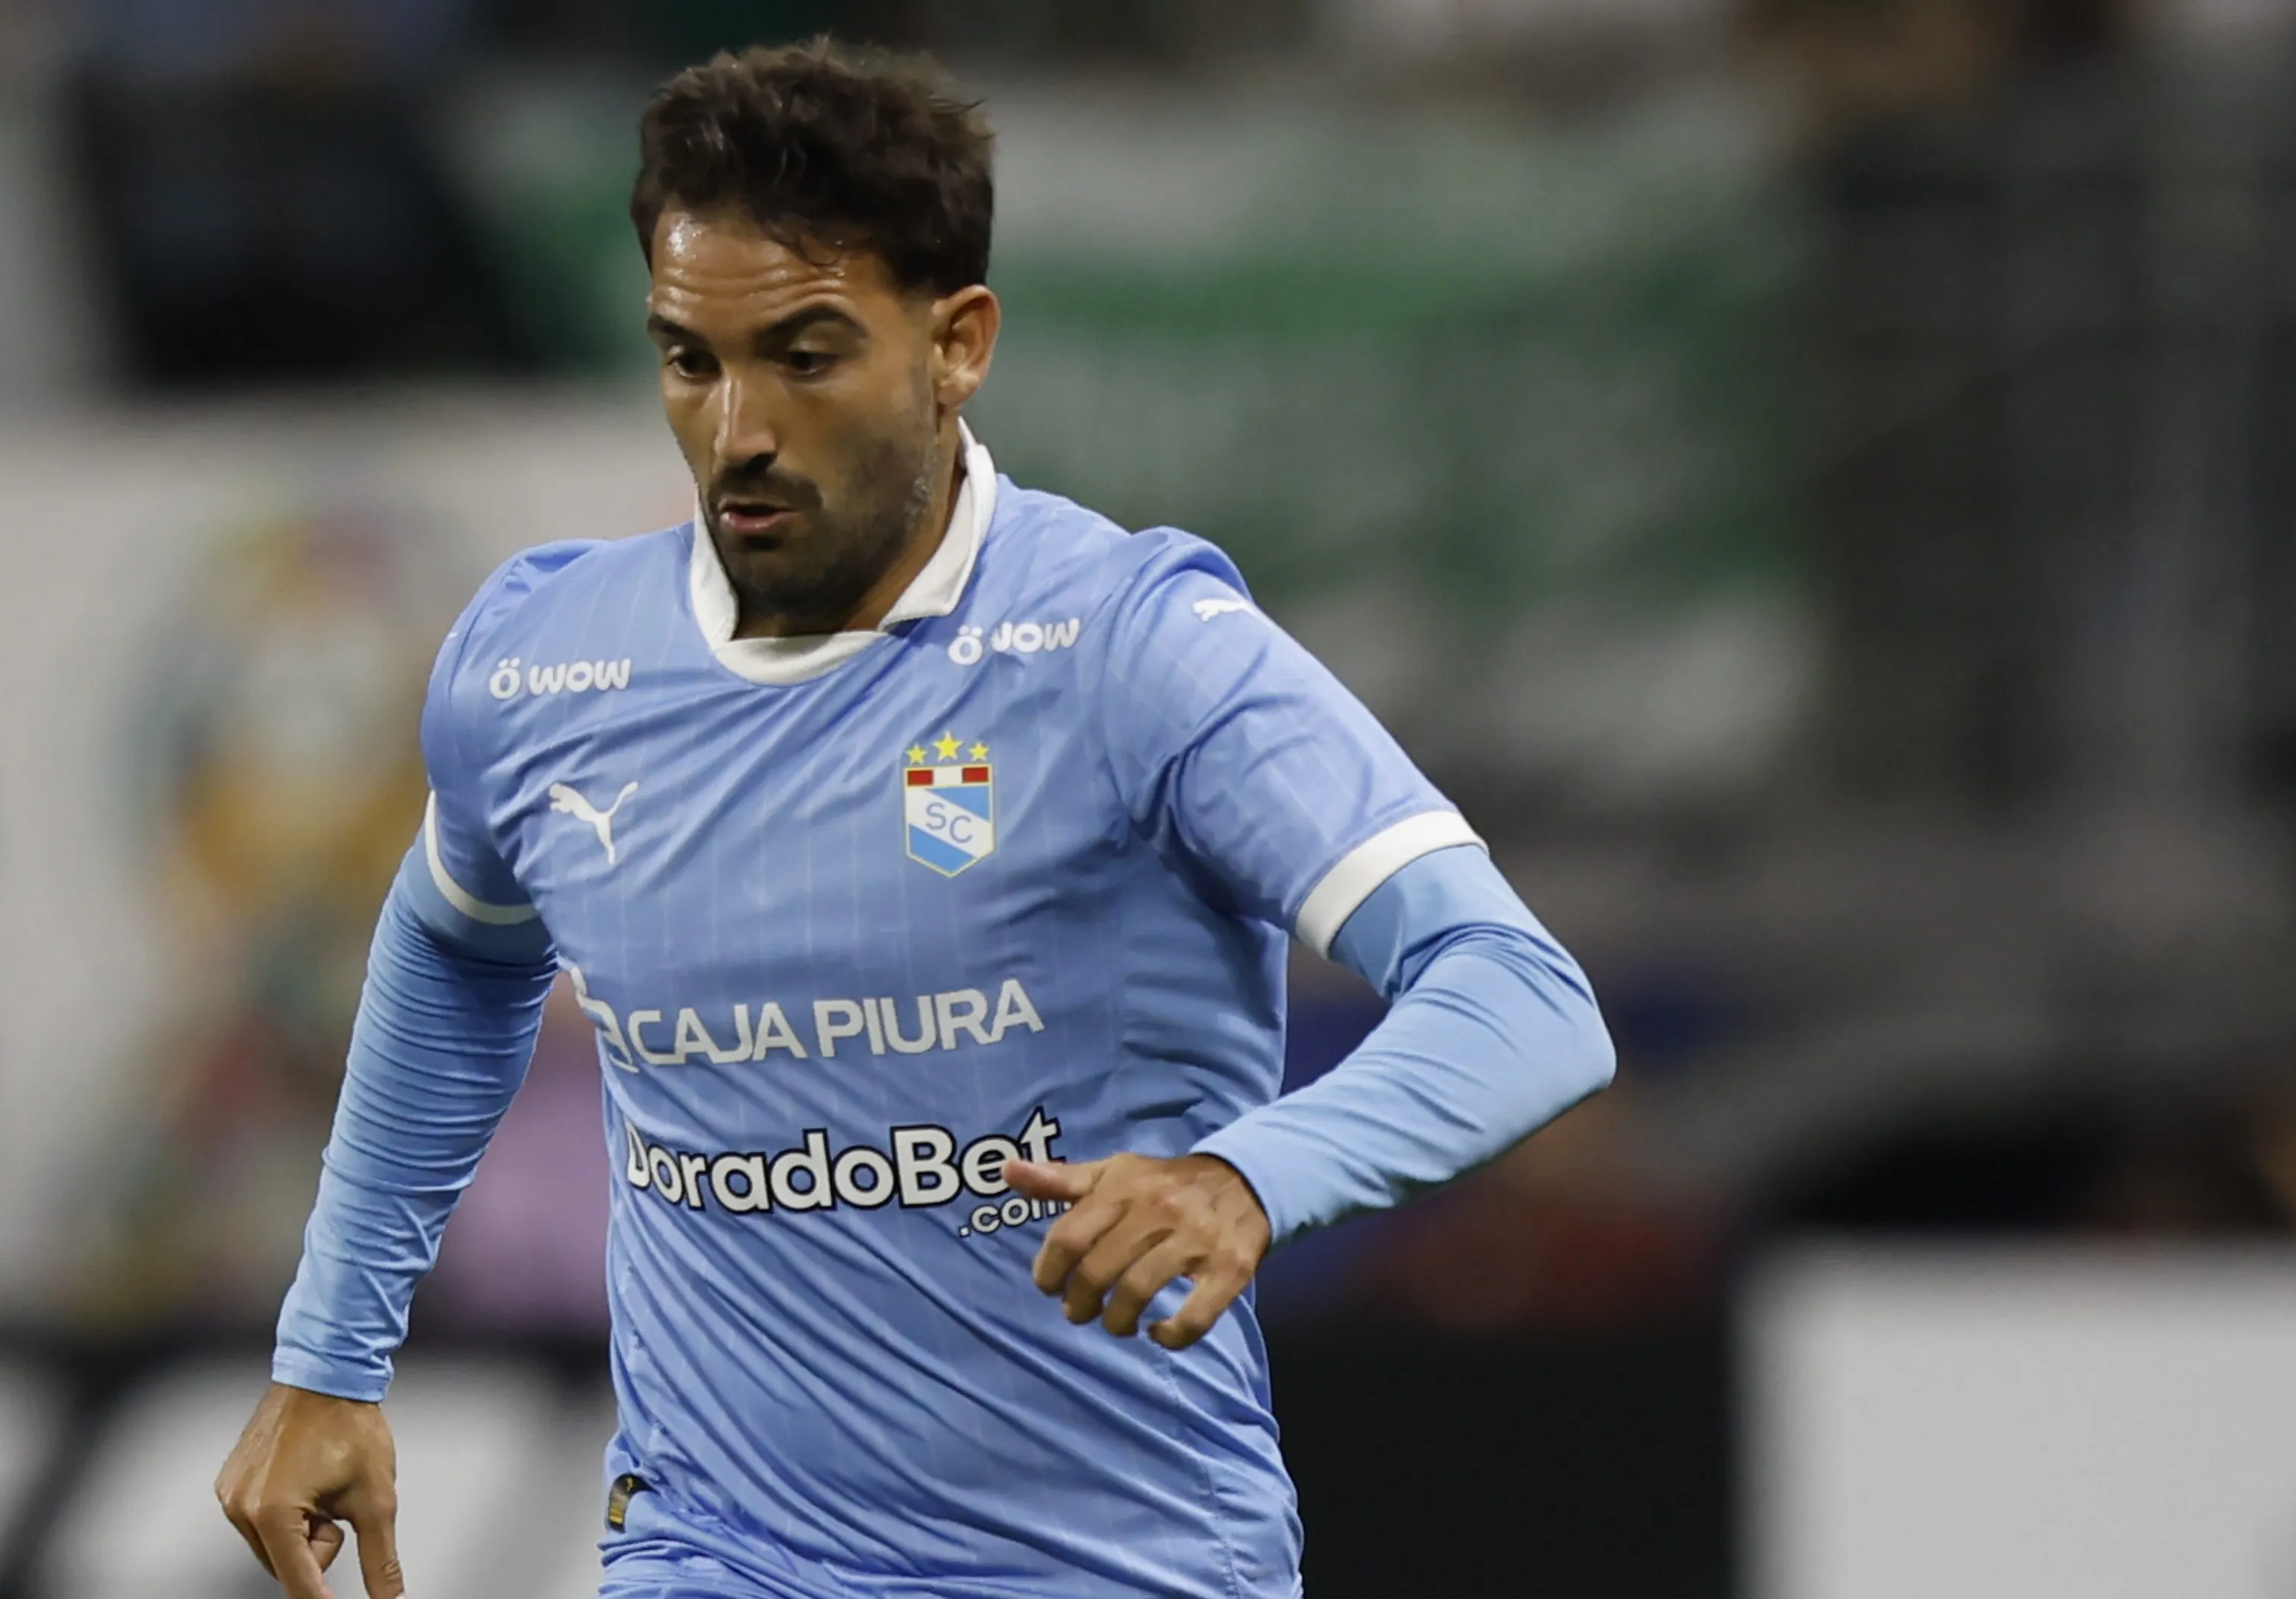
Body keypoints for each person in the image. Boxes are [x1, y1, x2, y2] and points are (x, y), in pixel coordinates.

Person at [215, 40, 1614, 1599]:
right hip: (718, 1555)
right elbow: (453, 949)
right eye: (689, 359)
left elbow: (1517, 995)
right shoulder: (542, 662)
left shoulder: (1128, 648)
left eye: (805, 356)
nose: (736, 428)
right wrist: (331, 1351)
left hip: (1117, 1566)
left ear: (956, 346)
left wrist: (1243, 1178)